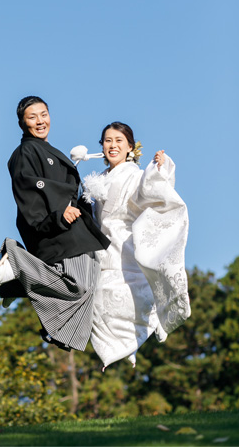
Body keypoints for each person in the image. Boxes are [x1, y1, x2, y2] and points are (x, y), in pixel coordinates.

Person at [0, 96, 111, 351]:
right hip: (58, 228)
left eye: (44, 114)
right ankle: (16, 260)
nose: (40, 121)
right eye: (33, 117)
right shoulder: (25, 152)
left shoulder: (49, 150)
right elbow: (30, 190)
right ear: (21, 123)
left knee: (89, 287)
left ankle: (20, 285)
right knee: (79, 286)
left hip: (75, 226)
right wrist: (57, 217)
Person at [81, 122, 190, 368]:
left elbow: (152, 191)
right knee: (99, 300)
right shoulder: (98, 179)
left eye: (119, 140)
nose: (113, 145)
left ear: (130, 146)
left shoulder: (134, 174)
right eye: (108, 140)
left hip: (126, 243)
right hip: (102, 244)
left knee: (132, 294)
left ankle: (147, 327)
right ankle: (124, 345)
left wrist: (160, 169)